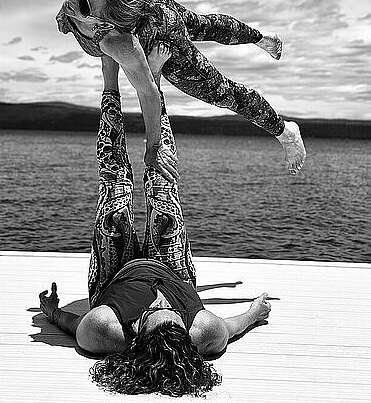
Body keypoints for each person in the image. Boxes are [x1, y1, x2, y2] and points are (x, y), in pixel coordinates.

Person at [39, 44, 272, 397]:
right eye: (171, 313)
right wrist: (255, 312)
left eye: (151, 314)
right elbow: (234, 325)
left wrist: (53, 313)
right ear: (187, 333)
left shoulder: (104, 330)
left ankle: (110, 78)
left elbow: (72, 325)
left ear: (136, 336)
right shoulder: (205, 332)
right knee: (163, 183)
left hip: (115, 273)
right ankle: (154, 82)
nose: (160, 302)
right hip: (173, 270)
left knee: (115, 184)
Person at [55, 0, 306, 177]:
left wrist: (153, 148)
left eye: (85, 5)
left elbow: (149, 95)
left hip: (162, 29)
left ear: (107, 23)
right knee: (203, 24)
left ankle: (286, 132)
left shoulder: (121, 44)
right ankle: (261, 38)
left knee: (221, 91)